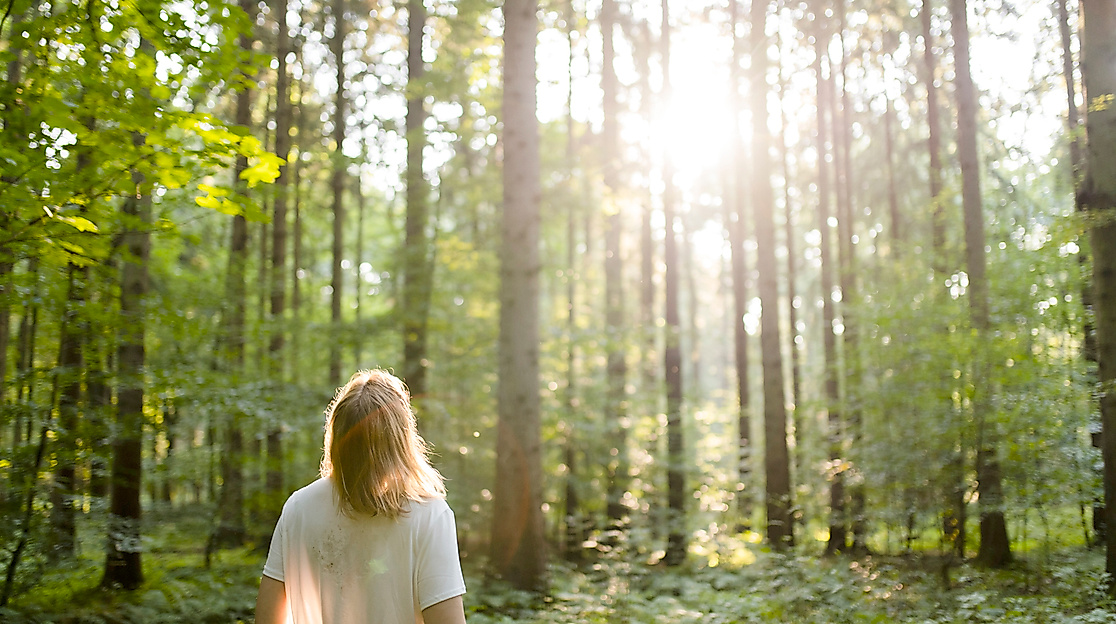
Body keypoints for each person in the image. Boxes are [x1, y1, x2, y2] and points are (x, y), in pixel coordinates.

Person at [254, 369, 467, 624]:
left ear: (336, 435)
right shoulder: (429, 514)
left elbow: (267, 618)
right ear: (400, 438)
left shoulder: (299, 507)